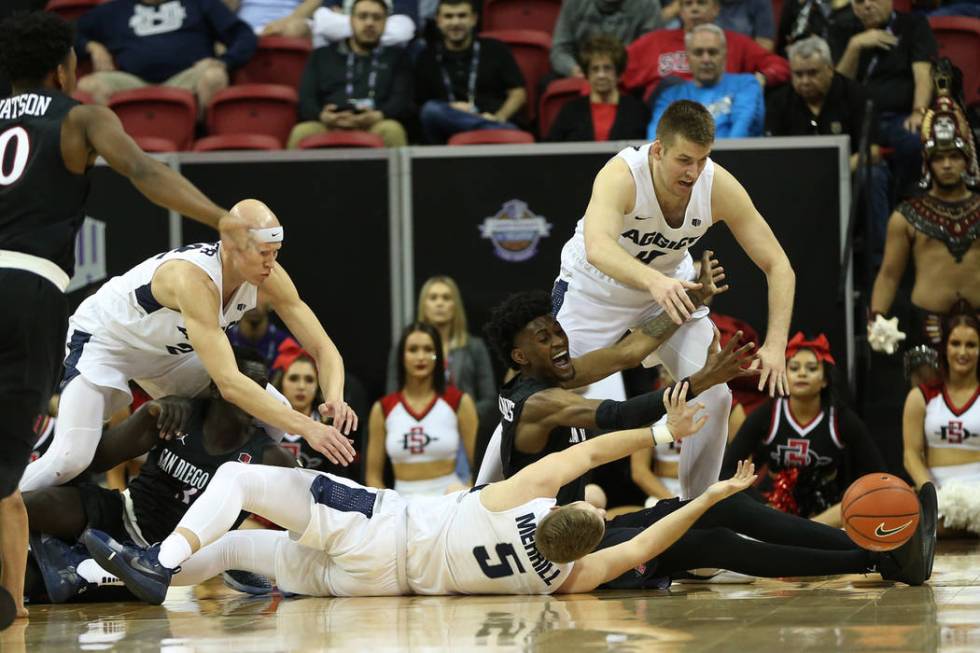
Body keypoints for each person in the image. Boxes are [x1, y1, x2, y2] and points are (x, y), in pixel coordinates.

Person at [0, 11, 240, 625]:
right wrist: (221, 218)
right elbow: (144, 171)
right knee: (10, 455)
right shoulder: (79, 115)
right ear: (65, 67)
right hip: (28, 286)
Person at [477, 288, 933, 587]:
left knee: (725, 504)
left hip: (583, 531)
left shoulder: (544, 386)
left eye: (558, 330)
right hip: (560, 555)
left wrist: (687, 299)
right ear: (520, 355)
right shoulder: (539, 402)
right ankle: (878, 562)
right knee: (709, 543)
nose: (559, 340)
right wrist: (700, 381)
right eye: (544, 337)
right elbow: (618, 414)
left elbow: (631, 349)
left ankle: (881, 546)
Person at [20, 198, 359, 497]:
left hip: (165, 355)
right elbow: (228, 384)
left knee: (277, 414)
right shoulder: (194, 281)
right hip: (105, 342)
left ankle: (233, 512)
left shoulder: (269, 276)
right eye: (263, 254)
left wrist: (335, 397)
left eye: (276, 253)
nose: (271, 264)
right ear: (232, 246)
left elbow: (324, 348)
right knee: (70, 458)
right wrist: (309, 426)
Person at [551, 99, 796, 502]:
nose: (694, 172)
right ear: (658, 150)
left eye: (702, 160)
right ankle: (487, 492)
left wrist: (776, 345)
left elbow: (779, 265)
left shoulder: (716, 185)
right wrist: (653, 281)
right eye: (684, 160)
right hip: (595, 289)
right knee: (547, 393)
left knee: (716, 390)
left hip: (667, 291)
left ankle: (694, 513)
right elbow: (597, 247)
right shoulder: (622, 174)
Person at [23, 347, 296, 603]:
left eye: (260, 388)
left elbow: (306, 519)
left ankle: (79, 567)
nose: (255, 395)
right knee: (25, 505)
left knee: (30, 582)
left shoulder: (269, 457)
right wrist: (147, 414)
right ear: (216, 386)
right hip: (125, 512)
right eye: (246, 384)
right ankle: (77, 564)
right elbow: (95, 461)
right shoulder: (181, 414)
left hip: (169, 558)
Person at [722, 333, 886, 525]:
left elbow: (879, 475)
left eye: (811, 368)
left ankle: (809, 530)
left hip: (824, 514)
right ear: (784, 374)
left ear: (824, 380)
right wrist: (764, 506)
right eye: (794, 368)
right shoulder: (768, 414)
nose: (802, 373)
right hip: (774, 510)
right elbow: (727, 470)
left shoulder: (840, 419)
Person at [869, 85, 979, 352]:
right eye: (939, 158)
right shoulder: (906, 216)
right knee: (922, 394)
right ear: (927, 163)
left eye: (954, 156)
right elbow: (889, 275)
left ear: (967, 161)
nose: (947, 164)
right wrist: (876, 317)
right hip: (926, 326)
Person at [765, 35, 890, 262]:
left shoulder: (856, 95)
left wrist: (837, 171)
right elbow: (772, 154)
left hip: (847, 175)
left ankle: (877, 260)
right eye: (798, 74)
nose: (804, 81)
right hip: (796, 179)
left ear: (830, 69)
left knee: (874, 176)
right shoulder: (779, 101)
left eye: (812, 73)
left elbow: (872, 152)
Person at [385, 275, 496, 477]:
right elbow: (392, 396)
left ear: (456, 305)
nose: (440, 304)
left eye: (446, 298)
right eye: (433, 297)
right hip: (415, 434)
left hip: (466, 435)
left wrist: (454, 416)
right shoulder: (402, 348)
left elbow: (489, 400)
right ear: (423, 304)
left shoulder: (474, 347)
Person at [832, 0, 937, 198]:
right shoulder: (841, 29)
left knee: (916, 141)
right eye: (860, 2)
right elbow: (837, 89)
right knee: (869, 175)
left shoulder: (913, 25)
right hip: (857, 122)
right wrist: (855, 46)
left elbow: (923, 73)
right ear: (853, 6)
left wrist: (918, 111)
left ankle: (907, 203)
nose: (868, 5)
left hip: (899, 117)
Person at [75, 0, 258, 109]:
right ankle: (112, 149)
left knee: (214, 76)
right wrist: (91, 46)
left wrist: (224, 62)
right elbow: (65, 33)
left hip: (187, 79)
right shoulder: (113, 10)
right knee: (89, 85)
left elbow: (243, 35)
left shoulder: (199, 3)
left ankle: (200, 145)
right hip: (132, 81)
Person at [368, 323, 477, 496]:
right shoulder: (382, 408)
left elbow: (479, 465)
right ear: (402, 356)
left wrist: (467, 495)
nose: (421, 357)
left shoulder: (459, 402)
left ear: (438, 355)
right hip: (401, 506)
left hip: (450, 501)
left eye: (428, 349)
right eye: (413, 349)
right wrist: (389, 508)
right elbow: (373, 477)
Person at [287, 0, 413, 148]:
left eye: (377, 18)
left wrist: (379, 115)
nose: (369, 23)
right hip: (329, 123)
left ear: (386, 22)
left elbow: (402, 99)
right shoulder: (321, 55)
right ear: (351, 19)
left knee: (392, 130)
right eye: (362, 16)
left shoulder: (397, 58)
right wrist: (322, 116)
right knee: (301, 132)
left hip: (375, 123)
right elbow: (306, 98)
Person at [903, 307, 980, 537]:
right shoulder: (921, 397)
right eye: (955, 343)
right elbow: (911, 455)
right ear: (944, 347)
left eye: (971, 345)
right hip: (935, 488)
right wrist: (931, 494)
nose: (962, 352)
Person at [622, 0, 790, 102]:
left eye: (701, 2)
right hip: (665, 116)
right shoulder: (655, 41)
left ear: (716, 9)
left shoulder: (735, 42)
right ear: (680, 11)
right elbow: (615, 68)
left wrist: (761, 78)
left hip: (719, 114)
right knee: (671, 84)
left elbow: (780, 66)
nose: (694, 9)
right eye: (688, 3)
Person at [414, 0, 525, 144]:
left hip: (491, 118)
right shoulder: (426, 57)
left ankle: (492, 127)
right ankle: (494, 128)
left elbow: (518, 93)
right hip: (444, 130)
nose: (455, 22)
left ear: (474, 19)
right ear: (438, 21)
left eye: (462, 16)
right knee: (431, 111)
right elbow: (420, 106)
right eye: (448, 16)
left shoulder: (496, 49)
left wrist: (499, 117)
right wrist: (450, 109)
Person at [648, 24, 764, 139]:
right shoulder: (670, 97)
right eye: (698, 53)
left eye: (712, 52)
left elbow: (741, 130)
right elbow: (656, 139)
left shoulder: (746, 84)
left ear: (724, 54)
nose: (706, 59)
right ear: (688, 57)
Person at [545, 35, 649, 143]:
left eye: (607, 68)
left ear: (618, 73)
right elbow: (551, 148)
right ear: (587, 74)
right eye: (595, 69)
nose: (601, 75)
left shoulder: (637, 111)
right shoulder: (570, 110)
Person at [550, 0, 664, 79]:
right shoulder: (574, 3)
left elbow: (651, 53)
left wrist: (621, 73)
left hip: (628, 73)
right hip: (581, 69)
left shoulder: (648, 4)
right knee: (546, 84)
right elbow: (560, 48)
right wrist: (572, 69)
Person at [313, 0, 417, 48]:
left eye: (377, 17)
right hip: (340, 55)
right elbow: (322, 23)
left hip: (388, 59)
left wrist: (342, 21)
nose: (368, 23)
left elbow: (403, 31)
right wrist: (381, 23)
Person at [227, 300, 292, 368]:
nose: (252, 303)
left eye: (258, 295)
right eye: (246, 295)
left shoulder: (287, 345)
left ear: (271, 305)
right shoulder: (224, 339)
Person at [227, 0, 318, 37]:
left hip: (290, 23)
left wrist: (284, 23)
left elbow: (313, 2)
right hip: (247, 26)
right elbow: (226, 7)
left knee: (297, 28)